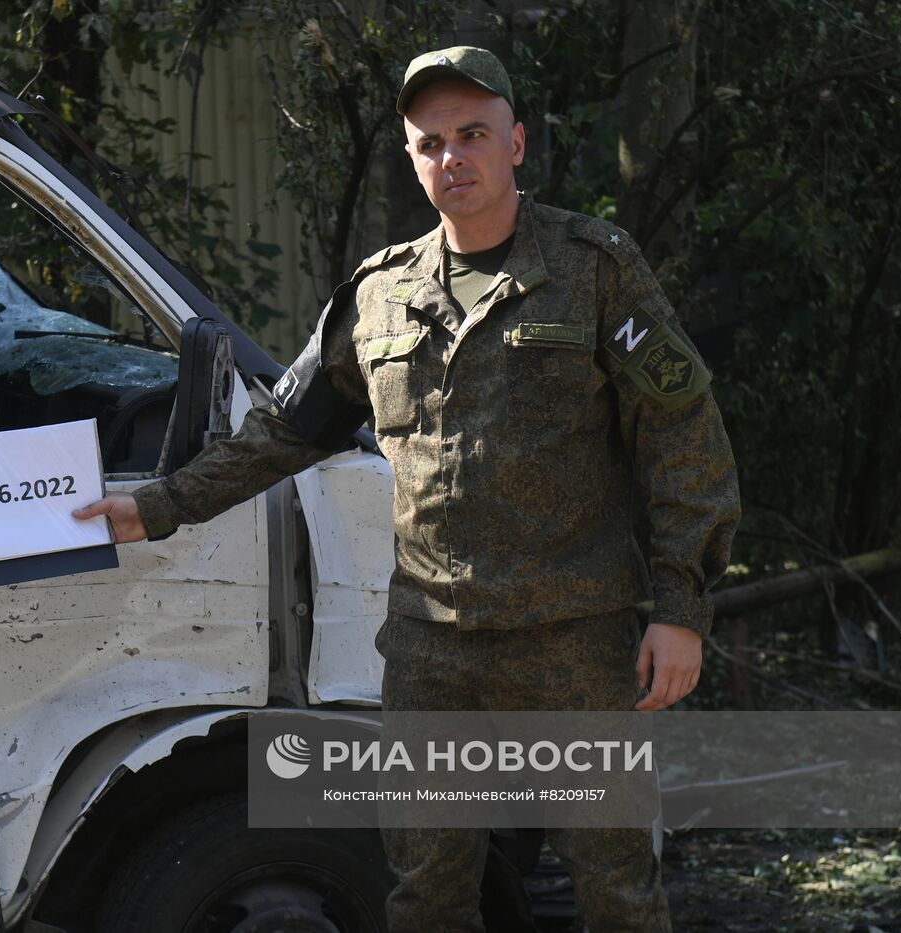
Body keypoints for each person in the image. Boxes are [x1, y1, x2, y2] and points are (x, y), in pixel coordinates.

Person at [75, 45, 739, 933]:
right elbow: (285, 429)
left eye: (472, 135)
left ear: (517, 143)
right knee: (427, 889)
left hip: (573, 640)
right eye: (430, 143)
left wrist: (680, 605)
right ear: (411, 157)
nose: (451, 158)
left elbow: (682, 429)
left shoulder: (595, 268)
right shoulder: (379, 295)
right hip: (433, 651)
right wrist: (157, 504)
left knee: (615, 885)